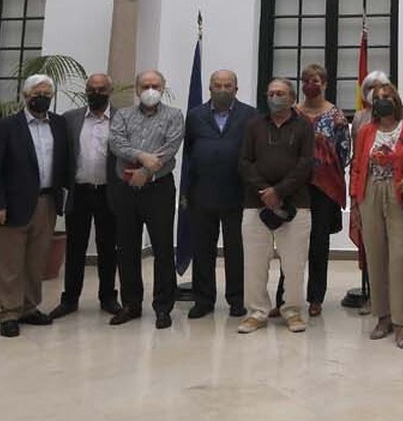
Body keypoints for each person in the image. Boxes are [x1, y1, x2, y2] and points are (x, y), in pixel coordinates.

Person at [0, 74, 71, 338]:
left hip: (47, 201)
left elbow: (64, 162)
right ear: (25, 96)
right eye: (36, 93)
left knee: (36, 259)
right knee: (9, 261)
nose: (41, 97)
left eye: (46, 93)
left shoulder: (59, 124)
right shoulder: (6, 126)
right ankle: (9, 312)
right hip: (11, 203)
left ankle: (29, 307)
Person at [349, 80, 403, 349]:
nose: (383, 100)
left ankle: (402, 323)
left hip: (399, 196)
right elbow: (357, 167)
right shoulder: (365, 131)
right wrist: (355, 200)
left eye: (388, 96)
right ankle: (382, 317)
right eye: (378, 96)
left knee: (400, 256)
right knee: (376, 255)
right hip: (369, 193)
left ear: (396, 100)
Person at [236, 78, 317, 334]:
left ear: (292, 97)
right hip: (255, 203)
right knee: (254, 262)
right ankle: (257, 312)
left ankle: (292, 311)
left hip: (296, 204)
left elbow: (306, 164)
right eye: (271, 93)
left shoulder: (304, 126)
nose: (275, 97)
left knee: (294, 264)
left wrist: (279, 192)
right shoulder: (254, 126)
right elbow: (245, 162)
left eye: (280, 93)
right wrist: (265, 191)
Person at [108, 69, 186, 329]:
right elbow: (116, 143)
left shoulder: (174, 115)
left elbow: (171, 147)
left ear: (162, 88)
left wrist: (146, 173)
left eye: (155, 85)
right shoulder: (123, 115)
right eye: (145, 85)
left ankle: (163, 306)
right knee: (127, 247)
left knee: (163, 248)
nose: (150, 89)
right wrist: (142, 158)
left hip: (159, 188)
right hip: (125, 189)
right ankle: (131, 304)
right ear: (137, 89)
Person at [275, 64, 352, 317]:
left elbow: (344, 154)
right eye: (306, 80)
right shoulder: (292, 113)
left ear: (325, 84)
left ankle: (315, 298)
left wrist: (322, 163)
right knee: (290, 243)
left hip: (323, 189)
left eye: (316, 80)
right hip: (294, 187)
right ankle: (284, 298)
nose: (311, 84)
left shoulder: (337, 116)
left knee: (319, 244)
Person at [184, 69, 258, 319]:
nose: (223, 89)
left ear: (236, 89)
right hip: (202, 193)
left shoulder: (250, 115)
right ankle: (203, 300)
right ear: (209, 88)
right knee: (202, 249)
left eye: (228, 85)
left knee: (236, 250)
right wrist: (187, 191)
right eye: (218, 85)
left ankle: (237, 299)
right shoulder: (195, 116)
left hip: (237, 193)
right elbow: (189, 153)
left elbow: (254, 153)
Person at [52, 73, 122, 319]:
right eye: (91, 89)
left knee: (108, 248)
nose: (96, 93)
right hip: (79, 192)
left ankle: (108, 297)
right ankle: (70, 299)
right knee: (75, 247)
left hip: (108, 192)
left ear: (110, 91)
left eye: (101, 89)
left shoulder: (122, 118)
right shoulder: (70, 119)